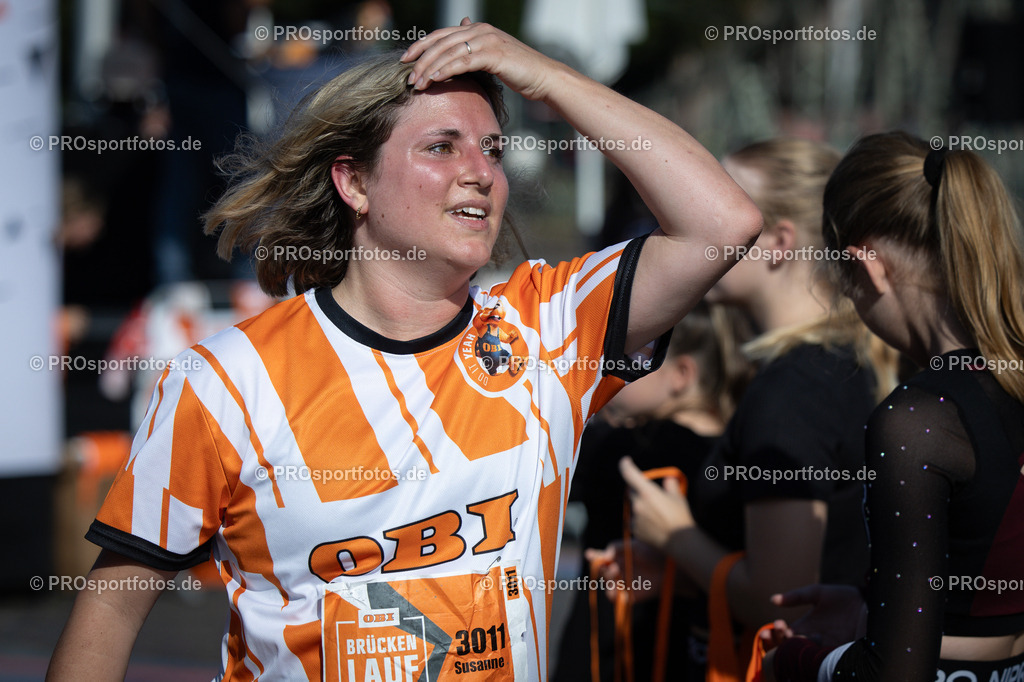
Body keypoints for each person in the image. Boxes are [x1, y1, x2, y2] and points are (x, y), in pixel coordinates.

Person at [47, 19, 762, 681]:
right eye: (441, 146)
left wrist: (541, 76)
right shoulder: (227, 379)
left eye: (493, 149)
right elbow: (111, 607)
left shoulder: (546, 329)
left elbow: (722, 223)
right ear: (353, 181)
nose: (479, 170)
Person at [599, 138, 898, 674]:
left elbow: (782, 600)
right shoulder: (840, 361)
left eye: (726, 204)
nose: (700, 221)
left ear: (780, 242)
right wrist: (680, 568)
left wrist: (677, 535)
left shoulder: (792, 389)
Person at [765, 131, 1024, 680]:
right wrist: (870, 608)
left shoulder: (921, 419)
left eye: (846, 283)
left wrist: (800, 660)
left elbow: (894, 674)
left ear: (870, 265)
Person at [553, 301, 754, 682]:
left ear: (681, 374)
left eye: (632, 355)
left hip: (608, 660)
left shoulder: (625, 447)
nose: (610, 366)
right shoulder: (740, 456)